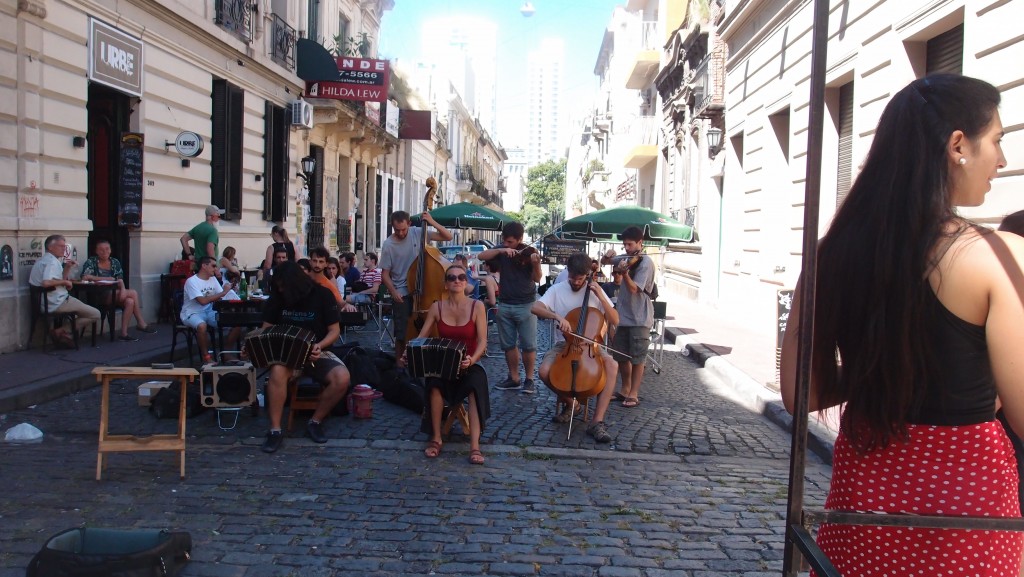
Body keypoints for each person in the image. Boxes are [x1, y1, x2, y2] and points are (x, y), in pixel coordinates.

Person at [780, 74, 1021, 577]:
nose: (1002, 159)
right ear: (958, 144)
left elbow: (803, 391)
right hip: (963, 518)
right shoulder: (997, 257)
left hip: (864, 503)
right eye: (997, 140)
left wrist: (883, 370)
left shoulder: (830, 255)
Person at [254, 261, 352, 453]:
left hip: (318, 351)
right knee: (277, 371)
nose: (280, 290)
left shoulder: (322, 295)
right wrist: (253, 345)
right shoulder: (277, 299)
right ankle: (274, 430)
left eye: (283, 286)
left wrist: (319, 346)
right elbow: (266, 329)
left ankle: (315, 421)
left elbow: (334, 331)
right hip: (287, 355)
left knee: (342, 377)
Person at [401, 263, 490, 465]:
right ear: (446, 284)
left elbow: (483, 341)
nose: (456, 281)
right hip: (443, 363)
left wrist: (472, 359)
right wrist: (408, 353)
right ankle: (436, 438)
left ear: (467, 282)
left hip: (470, 362)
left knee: (476, 385)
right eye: (451, 278)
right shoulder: (436, 307)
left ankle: (475, 445)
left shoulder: (477, 306)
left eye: (461, 277)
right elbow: (420, 337)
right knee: (433, 384)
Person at [531, 252, 618, 443]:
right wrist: (557, 317)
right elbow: (535, 307)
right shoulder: (558, 289)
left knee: (612, 365)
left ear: (587, 274)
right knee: (544, 371)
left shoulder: (596, 289)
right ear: (568, 272)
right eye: (573, 278)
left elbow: (615, 319)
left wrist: (601, 297)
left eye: (581, 279)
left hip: (590, 345)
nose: (577, 282)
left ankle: (597, 422)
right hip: (564, 345)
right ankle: (573, 404)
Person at [477, 222, 542, 394]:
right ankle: (514, 377)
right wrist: (501, 250)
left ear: (520, 239)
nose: (507, 245)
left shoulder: (529, 253)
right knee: (508, 345)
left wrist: (536, 264)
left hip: (526, 304)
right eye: (505, 241)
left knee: (528, 345)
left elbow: (537, 278)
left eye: (511, 242)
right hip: (505, 303)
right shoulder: (502, 250)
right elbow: (481, 256)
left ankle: (529, 379)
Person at [380, 210, 454, 355]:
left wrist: (431, 221)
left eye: (403, 229)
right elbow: (385, 274)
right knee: (401, 333)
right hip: (402, 291)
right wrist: (393, 292)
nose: (401, 233)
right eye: (397, 230)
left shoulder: (418, 232)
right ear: (392, 226)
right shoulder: (388, 244)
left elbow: (448, 236)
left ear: (409, 224)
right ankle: (400, 366)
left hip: (424, 290)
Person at [601, 226, 655, 408]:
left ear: (640, 243)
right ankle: (624, 389)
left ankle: (634, 393)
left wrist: (624, 273)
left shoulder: (646, 263)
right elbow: (604, 261)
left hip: (639, 316)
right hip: (622, 316)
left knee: (638, 357)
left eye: (630, 244)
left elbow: (634, 289)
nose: (627, 248)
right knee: (622, 355)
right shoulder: (626, 257)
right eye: (624, 245)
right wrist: (608, 256)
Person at [29, 234, 101, 347]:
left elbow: (54, 279)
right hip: (57, 301)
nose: (64, 249)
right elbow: (46, 282)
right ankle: (60, 332)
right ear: (50, 247)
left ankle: (64, 335)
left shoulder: (44, 260)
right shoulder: (52, 262)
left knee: (79, 315)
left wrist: (67, 267)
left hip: (46, 302)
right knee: (95, 314)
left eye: (64, 246)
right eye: (60, 246)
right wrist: (65, 282)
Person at [80, 240, 157, 341]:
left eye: (107, 249)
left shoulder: (114, 262)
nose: (105, 252)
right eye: (101, 250)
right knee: (133, 293)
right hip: (98, 296)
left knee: (130, 301)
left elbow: (119, 279)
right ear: (96, 252)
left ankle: (124, 334)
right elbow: (85, 277)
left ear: (111, 250)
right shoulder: (91, 262)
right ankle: (140, 322)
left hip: (115, 294)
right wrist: (108, 279)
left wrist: (123, 289)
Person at [180, 256, 241, 364]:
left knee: (237, 322)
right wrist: (223, 292)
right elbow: (202, 301)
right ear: (204, 266)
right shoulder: (192, 281)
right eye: (213, 266)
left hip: (209, 311)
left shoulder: (212, 279)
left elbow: (220, 297)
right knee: (202, 326)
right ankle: (206, 357)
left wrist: (229, 292)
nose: (216, 269)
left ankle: (226, 353)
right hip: (192, 312)